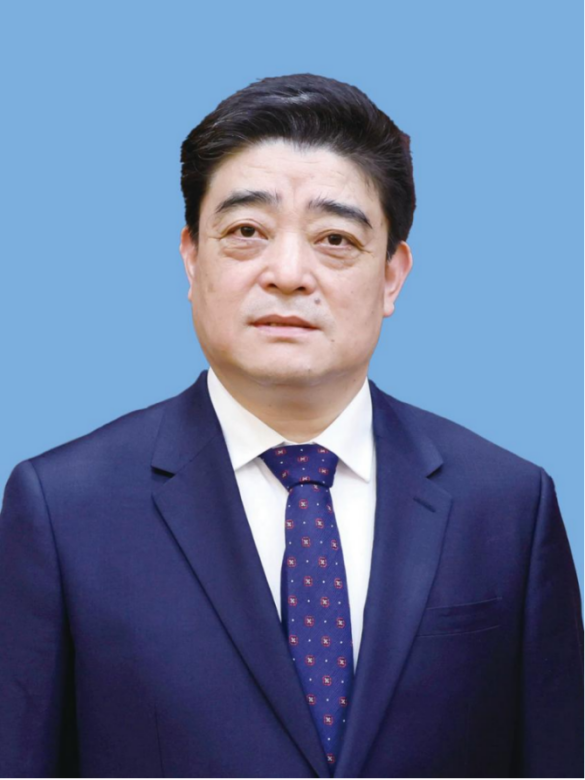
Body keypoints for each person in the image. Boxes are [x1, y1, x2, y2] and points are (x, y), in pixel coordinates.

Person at [0, 73, 582, 779]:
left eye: (334, 238)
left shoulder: (508, 504)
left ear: (391, 276)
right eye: (246, 232)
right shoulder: (62, 509)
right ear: (192, 256)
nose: (287, 273)